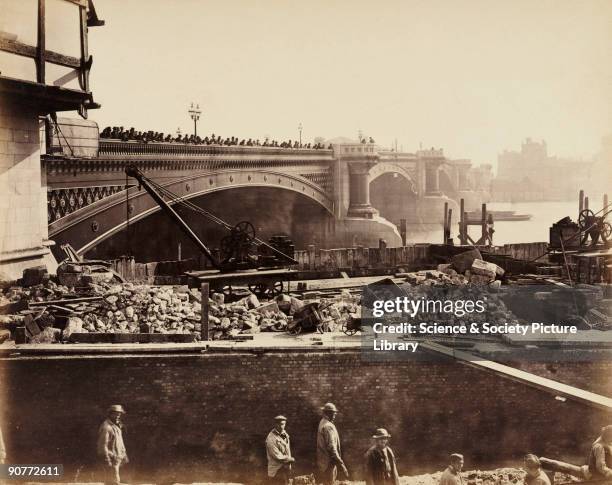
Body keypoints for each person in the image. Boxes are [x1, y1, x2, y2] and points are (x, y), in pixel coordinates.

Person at [316, 402, 348, 485]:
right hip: (329, 464)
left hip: (323, 463)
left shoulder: (322, 422)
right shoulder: (328, 426)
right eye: (333, 413)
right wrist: (341, 464)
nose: (334, 416)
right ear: (328, 413)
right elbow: (332, 447)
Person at [97, 405, 129, 485]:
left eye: (119, 414)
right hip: (111, 460)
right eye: (116, 414)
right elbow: (102, 445)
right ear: (110, 414)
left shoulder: (117, 426)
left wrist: (124, 455)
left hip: (118, 459)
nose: (118, 416)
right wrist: (107, 459)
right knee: (114, 482)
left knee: (112, 482)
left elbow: (120, 442)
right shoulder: (107, 427)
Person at [265, 415, 294, 485]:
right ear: (275, 424)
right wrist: (289, 459)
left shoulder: (285, 434)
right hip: (276, 470)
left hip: (285, 468)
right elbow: (277, 455)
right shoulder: (271, 438)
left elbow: (287, 449)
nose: (281, 426)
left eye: (283, 424)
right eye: (279, 424)